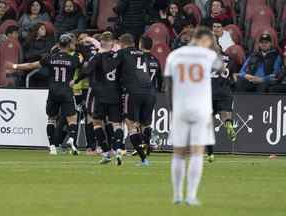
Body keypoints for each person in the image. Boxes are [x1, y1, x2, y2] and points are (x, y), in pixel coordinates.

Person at [164, 27, 222, 205]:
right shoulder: (208, 55)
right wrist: (213, 49)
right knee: (197, 153)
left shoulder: (174, 55)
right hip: (201, 109)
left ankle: (177, 195)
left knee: (179, 153)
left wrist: (173, 107)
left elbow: (168, 84)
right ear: (204, 40)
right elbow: (221, 68)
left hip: (180, 107)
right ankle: (191, 195)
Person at [7, 34, 82, 155]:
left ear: (58, 44)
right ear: (69, 45)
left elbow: (31, 65)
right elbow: (84, 67)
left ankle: (52, 146)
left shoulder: (50, 58)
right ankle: (72, 139)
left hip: (53, 91)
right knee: (72, 119)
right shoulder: (74, 59)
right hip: (66, 91)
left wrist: (15, 66)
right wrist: (75, 81)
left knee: (51, 119)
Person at [108, 33, 162, 166]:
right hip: (149, 92)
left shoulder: (122, 53)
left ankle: (144, 158)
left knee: (131, 124)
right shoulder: (144, 54)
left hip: (132, 92)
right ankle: (146, 145)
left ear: (122, 43)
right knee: (145, 124)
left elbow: (110, 68)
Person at [74, 31, 125, 165]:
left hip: (100, 95)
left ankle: (106, 152)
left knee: (96, 123)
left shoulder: (97, 57)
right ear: (113, 43)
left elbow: (86, 71)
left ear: (101, 43)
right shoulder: (119, 57)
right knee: (116, 124)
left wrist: (75, 81)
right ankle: (118, 149)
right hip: (115, 94)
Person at [206, 42, 236, 163]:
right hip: (225, 92)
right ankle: (228, 123)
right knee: (225, 114)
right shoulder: (230, 59)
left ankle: (210, 154)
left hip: (209, 92)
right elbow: (233, 78)